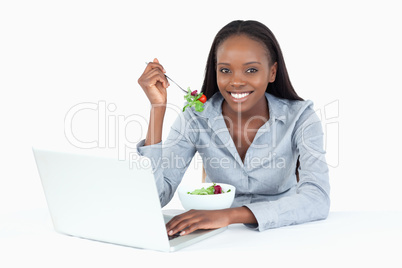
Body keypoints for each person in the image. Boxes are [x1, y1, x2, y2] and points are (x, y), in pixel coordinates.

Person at [137, 20, 330, 237]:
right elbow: (154, 198)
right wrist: (157, 108)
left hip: (285, 233)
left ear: (272, 72)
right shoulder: (195, 117)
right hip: (215, 237)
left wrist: (230, 215)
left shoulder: (301, 117)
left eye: (251, 70)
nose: (236, 82)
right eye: (225, 70)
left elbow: (317, 199)